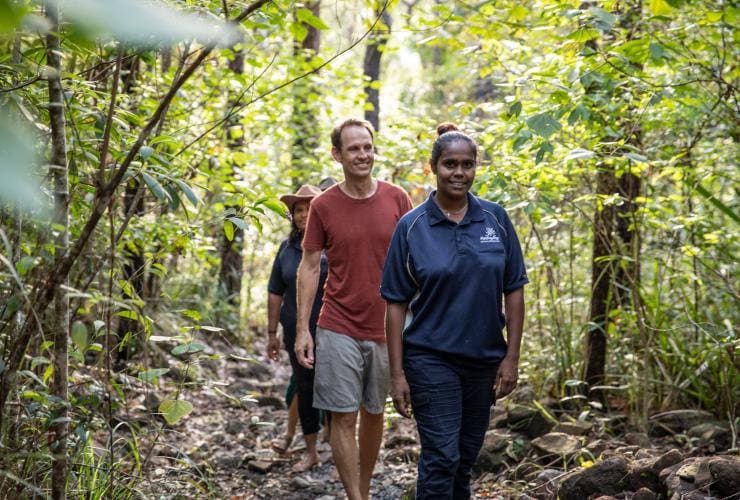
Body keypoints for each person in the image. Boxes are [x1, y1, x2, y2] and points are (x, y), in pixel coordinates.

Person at [380, 123, 528, 499]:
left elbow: (514, 289)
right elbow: (395, 304)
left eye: (467, 164)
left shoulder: (495, 219)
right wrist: (397, 375)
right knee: (441, 455)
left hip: (483, 359)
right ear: (434, 167)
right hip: (430, 357)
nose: (459, 173)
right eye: (449, 164)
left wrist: (511, 358)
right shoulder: (411, 226)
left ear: (475, 167)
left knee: (464, 457)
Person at [295, 118, 413, 500]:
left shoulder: (398, 198)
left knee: (374, 412)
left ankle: (363, 485)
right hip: (337, 324)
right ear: (337, 155)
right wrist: (302, 329)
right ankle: (356, 497)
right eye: (353, 149)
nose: (363, 155)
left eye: (367, 147)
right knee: (343, 416)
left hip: (387, 327)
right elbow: (309, 267)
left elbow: (419, 260)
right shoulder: (323, 206)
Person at [267, 183, 328, 472]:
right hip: (296, 330)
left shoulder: (334, 243)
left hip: (332, 328)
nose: (304, 214)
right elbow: (275, 290)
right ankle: (311, 450)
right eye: (299, 210)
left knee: (333, 385)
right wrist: (271, 333)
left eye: (310, 208)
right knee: (304, 386)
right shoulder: (286, 249)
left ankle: (338, 442)